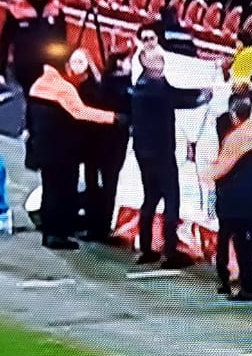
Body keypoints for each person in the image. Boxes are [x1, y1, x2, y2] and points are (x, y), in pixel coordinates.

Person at [27, 54, 119, 251]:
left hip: (43, 148)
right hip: (62, 150)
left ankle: (52, 231)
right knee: (62, 191)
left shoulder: (38, 84)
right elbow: (81, 112)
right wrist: (114, 118)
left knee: (50, 190)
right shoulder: (63, 88)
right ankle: (57, 234)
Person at [129, 50, 210, 268]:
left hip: (145, 152)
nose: (161, 61)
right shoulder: (156, 90)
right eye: (155, 58)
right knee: (171, 201)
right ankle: (170, 253)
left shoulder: (142, 86)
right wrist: (201, 97)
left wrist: (199, 93)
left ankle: (146, 248)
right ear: (144, 62)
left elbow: (175, 93)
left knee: (150, 198)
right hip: (161, 152)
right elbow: (177, 98)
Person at [205, 96, 252, 301]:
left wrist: (209, 176)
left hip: (233, 199)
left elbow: (222, 169)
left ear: (234, 115)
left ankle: (242, 284)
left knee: (238, 242)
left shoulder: (233, 138)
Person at [79, 51, 133, 243]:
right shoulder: (127, 89)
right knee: (109, 185)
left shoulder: (98, 86)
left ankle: (93, 225)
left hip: (93, 142)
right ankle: (102, 226)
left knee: (94, 183)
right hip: (112, 144)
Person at [0, 0, 65, 92]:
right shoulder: (16, 9)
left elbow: (62, 38)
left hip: (50, 65)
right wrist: (0, 71)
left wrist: (62, 63)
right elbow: (4, 41)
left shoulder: (54, 7)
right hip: (25, 67)